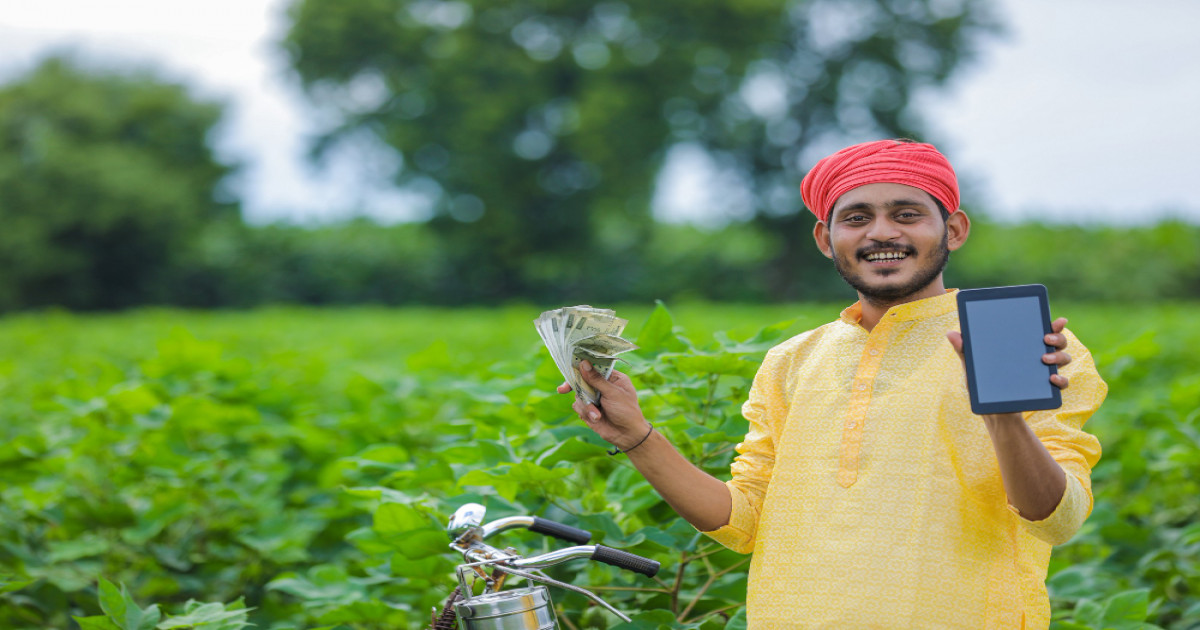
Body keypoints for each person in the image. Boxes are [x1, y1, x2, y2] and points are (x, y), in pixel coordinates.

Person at [558, 139, 1105, 628]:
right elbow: (743, 521)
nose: (882, 232)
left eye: (907, 214)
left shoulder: (1033, 348)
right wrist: (636, 437)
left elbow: (1058, 520)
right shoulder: (791, 362)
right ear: (825, 238)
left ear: (954, 230)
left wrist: (1003, 415)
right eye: (857, 217)